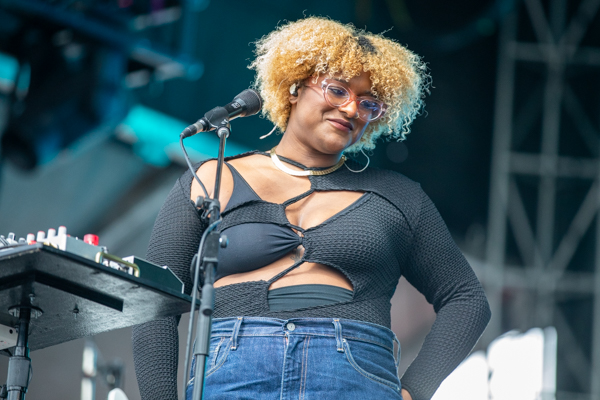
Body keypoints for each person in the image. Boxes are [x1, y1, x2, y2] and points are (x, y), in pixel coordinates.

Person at [132, 17, 491, 400]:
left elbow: (467, 299)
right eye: (337, 90)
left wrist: (414, 391)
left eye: (368, 103)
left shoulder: (398, 196)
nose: (351, 109)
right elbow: (154, 304)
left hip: (355, 377)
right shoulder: (211, 178)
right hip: (231, 374)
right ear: (293, 87)